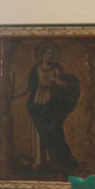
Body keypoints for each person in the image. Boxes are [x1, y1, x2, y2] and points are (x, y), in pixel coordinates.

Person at [22, 42, 80, 175]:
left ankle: (53, 161)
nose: (50, 56)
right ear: (42, 54)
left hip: (52, 104)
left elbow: (67, 86)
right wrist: (15, 94)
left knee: (53, 132)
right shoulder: (36, 70)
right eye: (47, 53)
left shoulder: (56, 70)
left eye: (52, 54)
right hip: (37, 103)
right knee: (39, 132)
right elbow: (27, 85)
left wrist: (56, 81)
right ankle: (39, 161)